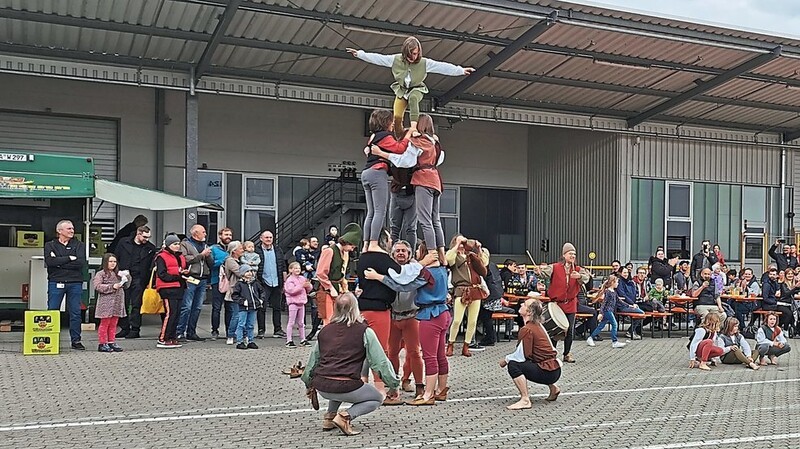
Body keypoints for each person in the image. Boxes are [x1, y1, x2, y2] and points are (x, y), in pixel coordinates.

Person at [301, 293, 400, 436]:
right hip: (347, 386)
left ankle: (330, 417)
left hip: (322, 386)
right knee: (376, 398)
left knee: (334, 377)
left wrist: (308, 384)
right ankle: (345, 416)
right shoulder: (364, 331)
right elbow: (381, 362)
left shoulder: (324, 331)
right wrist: (393, 385)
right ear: (356, 308)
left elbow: (313, 361)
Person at [347, 37, 474, 135]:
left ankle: (413, 127)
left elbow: (443, 67)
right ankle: (399, 136)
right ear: (404, 52)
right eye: (411, 54)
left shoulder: (425, 63)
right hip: (401, 90)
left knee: (413, 98)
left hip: (417, 89)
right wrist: (360, 54)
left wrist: (461, 70)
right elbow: (378, 59)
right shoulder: (395, 59)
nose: (413, 57)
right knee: (396, 116)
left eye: (416, 54)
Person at [356, 228, 401, 396]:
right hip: (379, 309)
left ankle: (361, 382)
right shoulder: (384, 260)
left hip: (362, 308)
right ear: (383, 240)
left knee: (363, 349)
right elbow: (399, 274)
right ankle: (380, 388)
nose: (391, 243)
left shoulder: (363, 258)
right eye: (389, 240)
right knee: (380, 350)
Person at [361, 109, 411, 253]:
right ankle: (374, 243)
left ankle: (366, 244)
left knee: (370, 212)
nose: (393, 125)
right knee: (380, 211)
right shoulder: (385, 136)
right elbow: (399, 148)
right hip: (377, 172)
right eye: (391, 122)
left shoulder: (373, 136)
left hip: (366, 173)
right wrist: (407, 135)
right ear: (386, 122)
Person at [500, 298, 562, 410]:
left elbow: (521, 355)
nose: (522, 304)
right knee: (532, 358)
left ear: (529, 312)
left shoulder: (527, 329)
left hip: (547, 373)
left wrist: (505, 360)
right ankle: (554, 388)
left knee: (513, 365)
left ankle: (525, 400)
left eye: (525, 304)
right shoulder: (539, 326)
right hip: (555, 370)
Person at [535, 242, 591, 362]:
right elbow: (544, 273)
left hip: (570, 303)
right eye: (570, 253)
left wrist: (579, 278)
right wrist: (539, 271)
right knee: (555, 328)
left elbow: (586, 279)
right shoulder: (554, 267)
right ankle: (552, 354)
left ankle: (567, 353)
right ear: (564, 255)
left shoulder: (578, 269)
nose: (573, 256)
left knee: (569, 330)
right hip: (557, 304)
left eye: (574, 254)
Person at [44, 220, 87, 350]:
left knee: (75, 312)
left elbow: (80, 263)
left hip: (75, 282)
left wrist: (59, 262)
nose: (72, 231)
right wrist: (69, 258)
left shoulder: (79, 245)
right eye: (68, 229)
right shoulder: (50, 245)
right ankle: (51, 340)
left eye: (72, 228)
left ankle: (76, 341)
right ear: (59, 231)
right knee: (53, 311)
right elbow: (50, 262)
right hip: (56, 281)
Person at [446, 235, 490, 357]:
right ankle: (451, 344)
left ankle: (466, 345)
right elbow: (448, 259)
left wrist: (479, 248)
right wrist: (456, 245)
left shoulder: (471, 256)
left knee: (472, 321)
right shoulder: (454, 255)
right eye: (460, 242)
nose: (462, 244)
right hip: (461, 290)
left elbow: (484, 263)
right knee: (457, 320)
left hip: (475, 289)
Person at [114, 225, 156, 339]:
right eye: (145, 237)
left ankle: (135, 329)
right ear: (138, 234)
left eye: (148, 237)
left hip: (139, 277)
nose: (146, 239)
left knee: (136, 304)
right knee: (123, 303)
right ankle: (124, 327)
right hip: (124, 276)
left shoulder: (150, 248)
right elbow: (115, 257)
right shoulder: (124, 242)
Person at [316, 224, 361, 325]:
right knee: (329, 318)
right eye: (352, 246)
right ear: (347, 242)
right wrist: (330, 288)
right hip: (328, 290)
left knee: (340, 318)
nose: (352, 249)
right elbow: (321, 272)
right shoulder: (329, 251)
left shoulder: (345, 253)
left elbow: (342, 273)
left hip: (339, 289)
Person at [177, 224, 213, 341]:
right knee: (186, 306)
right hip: (191, 278)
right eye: (203, 232)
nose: (205, 234)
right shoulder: (185, 244)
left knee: (197, 307)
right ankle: (180, 332)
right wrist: (201, 255)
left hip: (203, 279)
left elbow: (211, 263)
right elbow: (186, 259)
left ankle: (191, 332)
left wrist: (207, 256)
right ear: (195, 233)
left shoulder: (205, 245)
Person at [92, 253, 130, 353]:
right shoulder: (100, 274)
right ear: (105, 262)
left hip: (117, 301)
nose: (113, 264)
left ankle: (111, 341)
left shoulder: (118, 273)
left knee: (114, 323)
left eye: (114, 261)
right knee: (105, 322)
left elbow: (127, 285)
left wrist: (127, 276)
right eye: (110, 261)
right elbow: (97, 286)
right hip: (106, 301)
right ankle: (102, 343)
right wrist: (112, 287)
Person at [155, 235, 188, 349]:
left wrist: (184, 273)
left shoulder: (180, 257)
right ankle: (163, 338)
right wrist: (177, 276)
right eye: (174, 244)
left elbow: (181, 270)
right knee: (170, 313)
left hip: (179, 287)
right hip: (167, 288)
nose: (177, 246)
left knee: (177, 313)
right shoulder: (161, 257)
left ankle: (172, 337)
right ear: (168, 245)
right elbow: (162, 274)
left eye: (178, 244)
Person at [254, 230, 287, 339]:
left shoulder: (278, 250)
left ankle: (277, 329)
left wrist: (285, 282)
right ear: (261, 238)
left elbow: (283, 266)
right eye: (266, 237)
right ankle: (261, 330)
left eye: (270, 237)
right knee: (261, 308)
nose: (269, 239)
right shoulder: (257, 250)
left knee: (277, 307)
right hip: (263, 283)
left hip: (277, 282)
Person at [587, 274, 626, 348]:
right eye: (617, 282)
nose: (617, 284)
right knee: (614, 324)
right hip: (607, 311)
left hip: (609, 311)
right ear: (612, 283)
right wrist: (601, 313)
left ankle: (590, 338)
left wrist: (629, 305)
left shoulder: (614, 292)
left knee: (601, 326)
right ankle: (614, 341)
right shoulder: (608, 292)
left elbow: (619, 300)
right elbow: (604, 303)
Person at [231, 264, 263, 350]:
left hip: (253, 307)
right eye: (247, 271)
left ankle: (250, 341)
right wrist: (242, 301)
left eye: (250, 271)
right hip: (243, 308)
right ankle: (240, 341)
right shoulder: (239, 284)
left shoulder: (255, 283)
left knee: (250, 325)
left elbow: (262, 292)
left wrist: (260, 300)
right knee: (241, 324)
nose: (249, 273)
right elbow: (235, 296)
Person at [209, 227, 233, 340]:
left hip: (231, 282)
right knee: (216, 308)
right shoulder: (214, 248)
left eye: (230, 235)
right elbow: (211, 264)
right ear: (220, 236)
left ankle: (229, 331)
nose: (228, 237)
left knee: (230, 308)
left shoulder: (233, 248)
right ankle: (215, 330)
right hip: (217, 281)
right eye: (226, 234)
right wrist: (224, 260)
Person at [284, 261, 312, 348]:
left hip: (301, 303)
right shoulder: (289, 280)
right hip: (293, 303)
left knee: (301, 322)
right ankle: (289, 340)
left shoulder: (302, 278)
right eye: (295, 268)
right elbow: (291, 291)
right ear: (291, 270)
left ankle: (303, 339)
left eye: (299, 268)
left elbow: (308, 289)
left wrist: (308, 285)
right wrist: (301, 286)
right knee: (291, 322)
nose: (298, 270)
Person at [222, 241, 245, 345]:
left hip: (241, 290)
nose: (242, 249)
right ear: (234, 251)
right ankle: (231, 335)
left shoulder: (239, 260)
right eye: (240, 248)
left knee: (241, 314)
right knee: (236, 314)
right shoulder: (230, 261)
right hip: (234, 290)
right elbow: (240, 272)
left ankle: (240, 334)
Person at [615, 267, 646, 340]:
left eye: (627, 272)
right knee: (641, 313)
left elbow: (634, 294)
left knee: (642, 312)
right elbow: (623, 295)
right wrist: (632, 304)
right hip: (622, 306)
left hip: (631, 304)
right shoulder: (619, 282)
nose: (626, 274)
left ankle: (632, 330)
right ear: (620, 273)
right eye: (624, 272)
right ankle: (630, 331)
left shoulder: (630, 282)